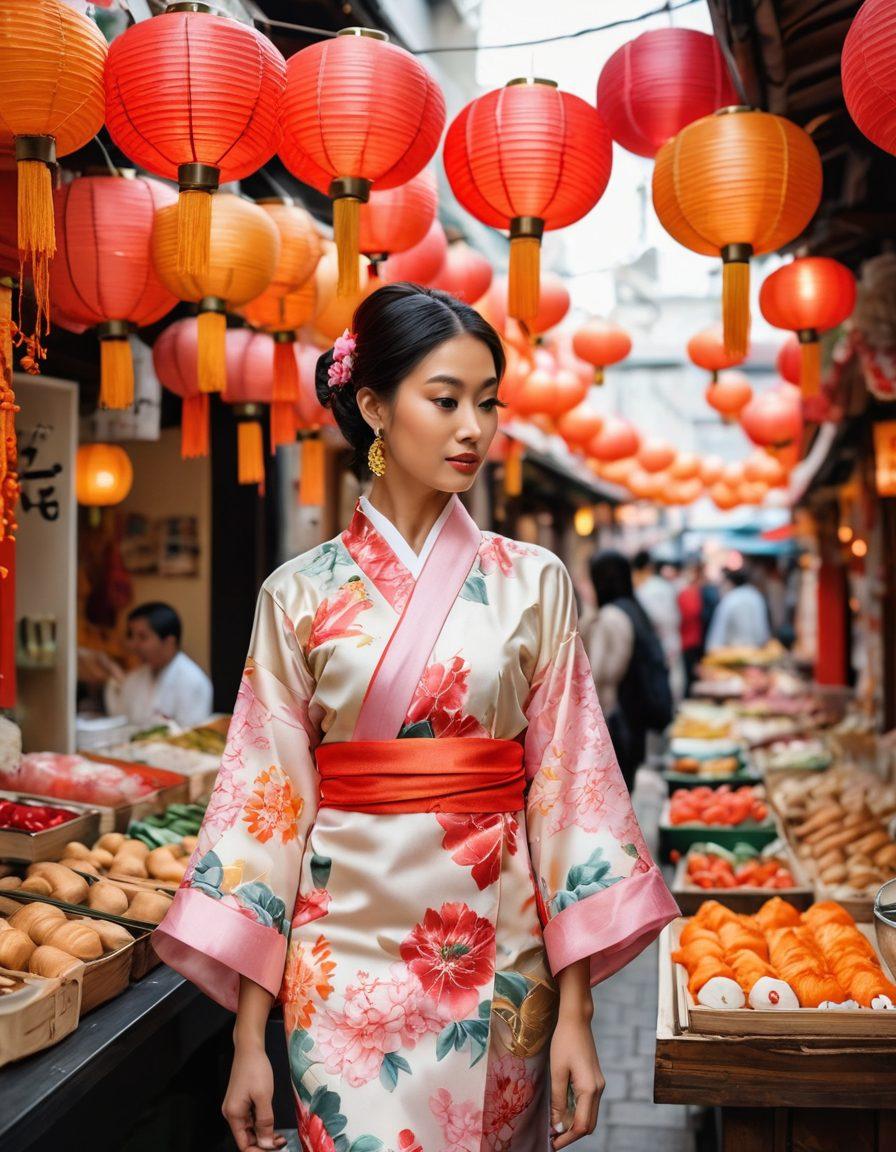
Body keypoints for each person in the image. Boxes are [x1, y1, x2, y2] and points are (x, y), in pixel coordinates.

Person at [152, 284, 677, 1152]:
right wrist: (250, 1038)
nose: (474, 426)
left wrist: (578, 1011)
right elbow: (264, 817)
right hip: (336, 976)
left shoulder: (534, 581)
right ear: (373, 407)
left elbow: (571, 800)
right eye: (445, 400)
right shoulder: (297, 595)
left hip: (499, 964)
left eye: (487, 402)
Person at [584, 550, 674, 789]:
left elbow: (597, 677)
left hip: (616, 726)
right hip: (636, 724)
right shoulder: (634, 609)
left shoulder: (610, 617)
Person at [103, 602, 213, 729]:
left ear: (169, 642)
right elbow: (120, 722)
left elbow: (190, 738)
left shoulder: (193, 681)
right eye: (132, 636)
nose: (133, 645)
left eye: (142, 637)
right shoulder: (134, 678)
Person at [632, 550, 684, 701]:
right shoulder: (665, 587)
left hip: (660, 644)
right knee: (674, 684)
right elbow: (676, 617)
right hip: (671, 641)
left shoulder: (644, 590)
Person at [705, 566, 772, 652]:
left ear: (730, 583)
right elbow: (763, 630)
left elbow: (717, 635)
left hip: (732, 655)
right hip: (756, 652)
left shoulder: (730, 599)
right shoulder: (756, 596)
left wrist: (711, 649)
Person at [677, 562, 707, 695]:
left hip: (690, 640)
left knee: (690, 676)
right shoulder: (690, 593)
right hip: (691, 640)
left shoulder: (689, 592)